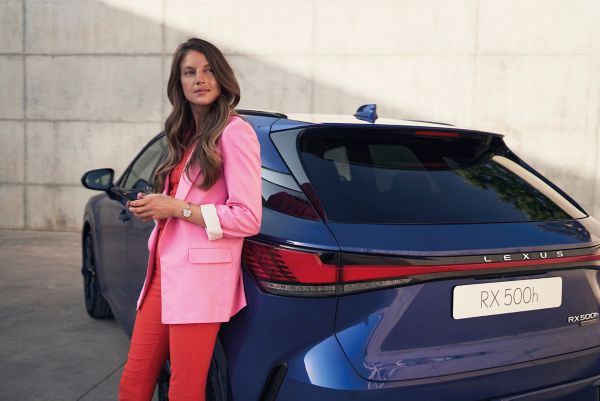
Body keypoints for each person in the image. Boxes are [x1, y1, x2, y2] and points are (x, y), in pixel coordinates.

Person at [118, 38, 262, 401]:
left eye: (208, 69)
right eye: (189, 72)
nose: (200, 78)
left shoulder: (235, 132)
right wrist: (156, 205)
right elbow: (182, 200)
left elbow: (248, 218)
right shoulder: (184, 135)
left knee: (185, 389)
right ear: (179, 84)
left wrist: (177, 209)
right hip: (163, 274)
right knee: (134, 379)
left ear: (222, 77)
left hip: (201, 281)